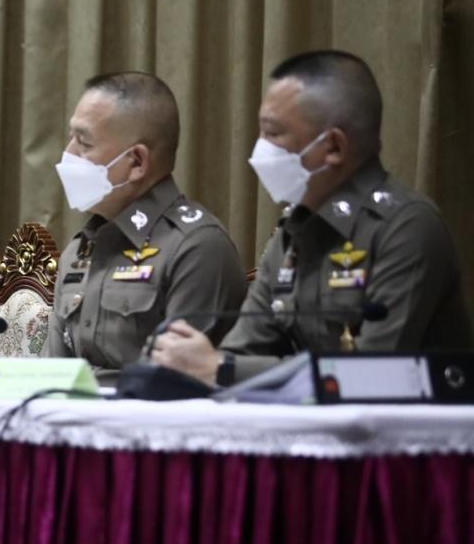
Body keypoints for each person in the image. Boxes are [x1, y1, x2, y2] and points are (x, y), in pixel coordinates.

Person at [151, 50, 472, 385]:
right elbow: (244, 348)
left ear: (333, 147)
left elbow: (370, 375)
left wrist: (223, 368)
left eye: (273, 133)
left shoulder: (406, 228)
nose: (260, 149)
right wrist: (202, 362)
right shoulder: (294, 231)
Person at [45, 72, 247, 378]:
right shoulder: (79, 249)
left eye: (83, 142)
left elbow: (177, 382)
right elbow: (51, 375)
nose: (68, 154)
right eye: (71, 137)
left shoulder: (197, 248)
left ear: (137, 162)